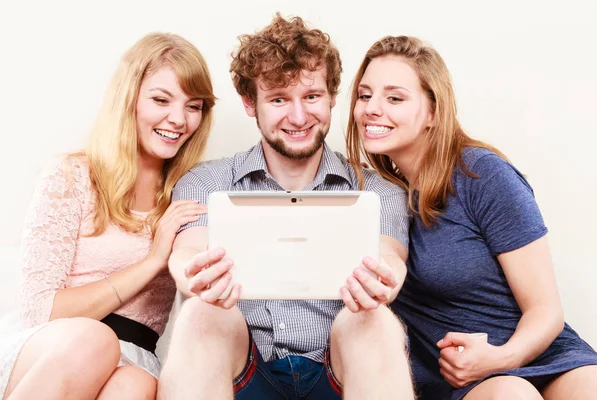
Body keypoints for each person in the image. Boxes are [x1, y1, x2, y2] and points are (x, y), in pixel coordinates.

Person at [158, 15, 414, 400]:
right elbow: (188, 250)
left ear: (330, 96)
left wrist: (386, 278)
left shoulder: (377, 190)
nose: (298, 117)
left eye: (311, 97)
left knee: (374, 322)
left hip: (338, 372)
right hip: (248, 370)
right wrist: (191, 274)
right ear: (250, 103)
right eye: (279, 99)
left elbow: (390, 254)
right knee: (200, 313)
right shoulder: (206, 182)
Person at [346, 35, 597, 399]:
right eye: (365, 95)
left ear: (433, 112)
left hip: (538, 354)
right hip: (465, 380)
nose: (372, 108)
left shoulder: (482, 174)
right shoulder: (379, 200)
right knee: (511, 395)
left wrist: (499, 357)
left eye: (395, 98)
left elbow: (546, 310)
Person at [0, 32, 216, 400]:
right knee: (95, 339)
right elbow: (42, 310)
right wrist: (152, 262)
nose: (178, 119)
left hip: (134, 357)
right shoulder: (71, 176)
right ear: (129, 98)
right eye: (161, 99)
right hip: (55, 348)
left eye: (193, 106)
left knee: (136, 386)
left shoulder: (189, 194)